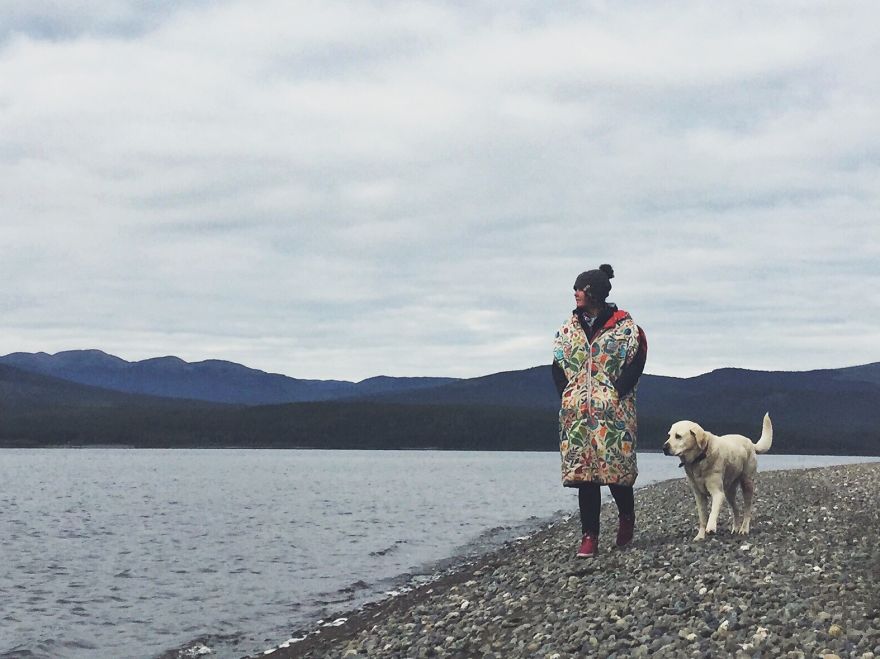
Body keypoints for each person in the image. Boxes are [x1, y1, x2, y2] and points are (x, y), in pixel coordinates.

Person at [552, 264, 647, 558]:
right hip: (578, 414)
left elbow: (637, 361)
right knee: (585, 476)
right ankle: (589, 537)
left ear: (594, 292)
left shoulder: (626, 328)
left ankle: (626, 518)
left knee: (616, 472)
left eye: (580, 288)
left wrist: (616, 394)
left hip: (613, 414)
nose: (576, 293)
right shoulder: (568, 329)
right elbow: (557, 364)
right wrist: (568, 396)